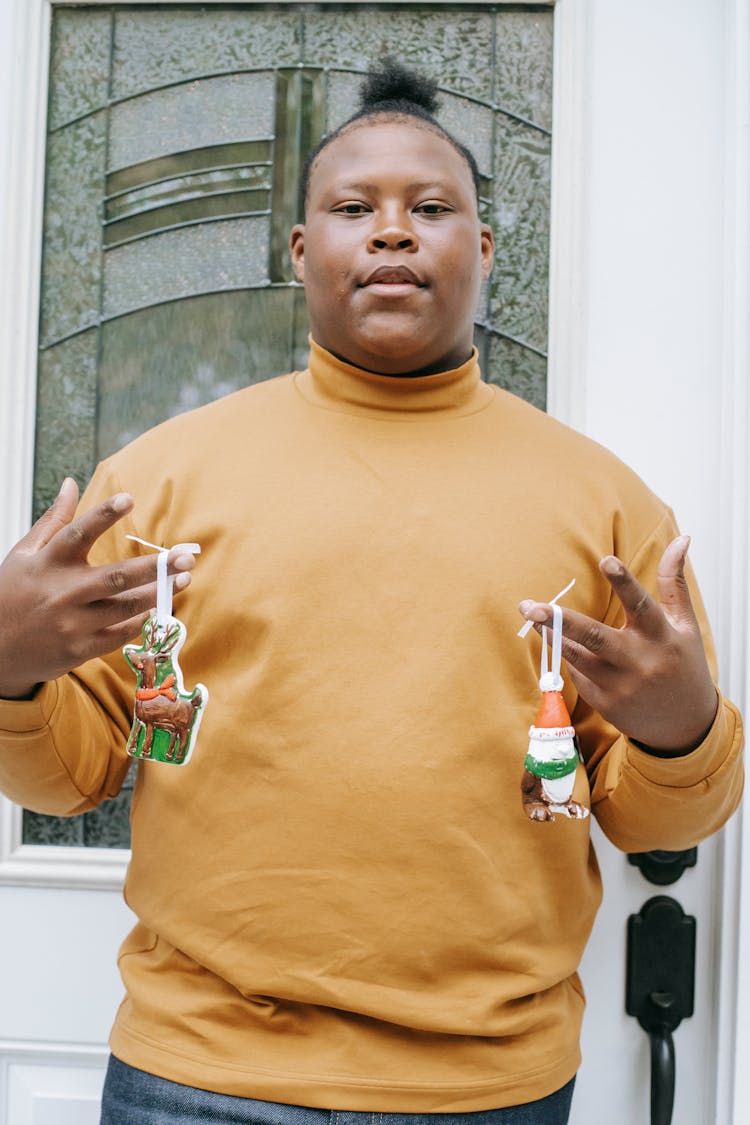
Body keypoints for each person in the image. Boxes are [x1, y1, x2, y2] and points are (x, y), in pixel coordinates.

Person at [0, 61, 742, 1125]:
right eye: (354, 209)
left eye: (431, 208)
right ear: (301, 253)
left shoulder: (611, 511)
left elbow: (653, 817)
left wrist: (683, 735)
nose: (392, 232)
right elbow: (71, 779)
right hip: (197, 1074)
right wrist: (11, 670)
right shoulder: (156, 483)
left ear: (482, 251)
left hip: (493, 1086)